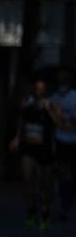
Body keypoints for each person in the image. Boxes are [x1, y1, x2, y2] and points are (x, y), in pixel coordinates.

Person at [11, 77, 60, 230]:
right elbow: (21, 120)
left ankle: (45, 213)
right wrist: (17, 138)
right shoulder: (27, 101)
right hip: (28, 148)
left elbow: (59, 123)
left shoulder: (51, 103)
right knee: (28, 179)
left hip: (45, 149)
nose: (39, 90)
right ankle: (30, 211)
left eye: (42, 88)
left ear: (46, 89)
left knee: (45, 184)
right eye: (37, 88)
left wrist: (49, 110)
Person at [54, 67, 76, 220]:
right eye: (60, 79)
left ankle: (69, 200)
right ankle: (65, 205)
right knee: (63, 174)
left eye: (65, 78)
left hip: (74, 140)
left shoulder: (75, 97)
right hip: (60, 140)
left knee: (72, 174)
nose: (63, 81)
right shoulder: (53, 98)